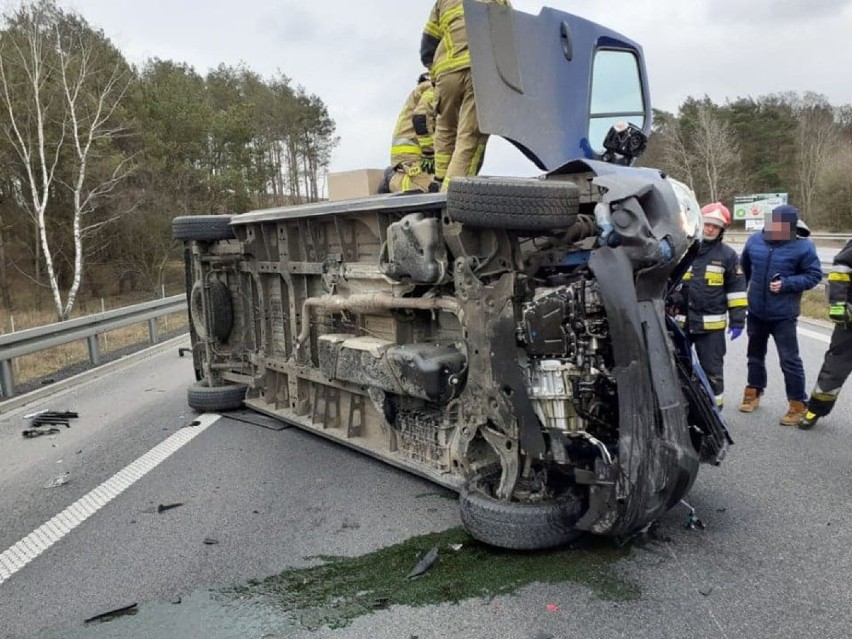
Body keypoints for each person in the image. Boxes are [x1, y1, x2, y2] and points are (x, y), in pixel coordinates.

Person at [738, 204, 823, 425]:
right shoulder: (755, 241)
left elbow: (814, 275)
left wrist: (787, 284)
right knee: (754, 355)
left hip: (783, 315)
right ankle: (754, 391)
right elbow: (744, 269)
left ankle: (797, 404)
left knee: (789, 360)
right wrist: (740, 299)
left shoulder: (803, 246)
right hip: (756, 310)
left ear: (791, 227)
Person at [420, 0, 509, 191]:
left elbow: (427, 47)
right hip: (479, 70)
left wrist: (436, 73)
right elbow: (508, 36)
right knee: (470, 138)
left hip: (445, 74)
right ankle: (451, 197)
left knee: (444, 128)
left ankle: (439, 179)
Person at [668, 203, 746, 407]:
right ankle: (683, 411)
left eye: (715, 226)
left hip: (710, 330)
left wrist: (738, 320)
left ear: (722, 230)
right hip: (680, 325)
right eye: (707, 224)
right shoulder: (682, 251)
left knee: (712, 372)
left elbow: (736, 292)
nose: (710, 229)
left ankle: (714, 411)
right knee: (676, 368)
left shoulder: (728, 256)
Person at [798, 240, 852, 429]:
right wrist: (839, 303)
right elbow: (841, 269)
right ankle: (815, 409)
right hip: (850, 323)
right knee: (835, 368)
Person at [387, 73, 438, 193]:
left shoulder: (416, 96)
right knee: (434, 189)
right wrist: (428, 152)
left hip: (405, 159)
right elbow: (420, 119)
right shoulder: (430, 88)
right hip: (413, 157)